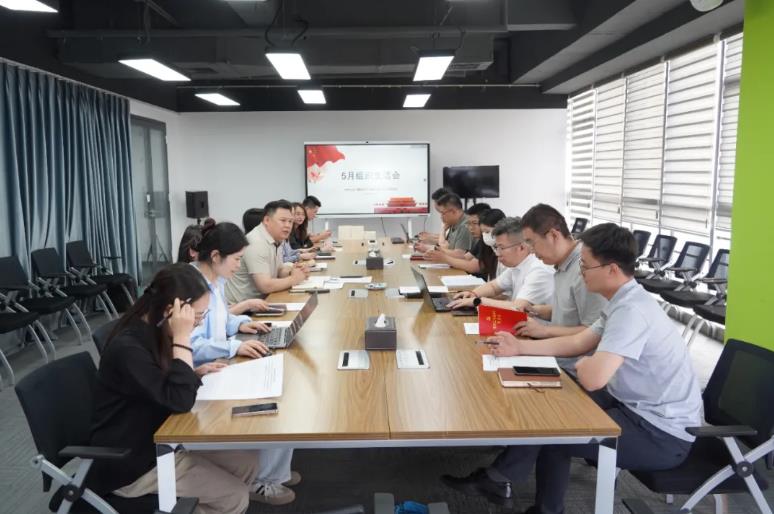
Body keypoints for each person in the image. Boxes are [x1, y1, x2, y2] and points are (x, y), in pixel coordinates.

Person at [442, 224, 703, 514]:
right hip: (630, 404)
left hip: (660, 433)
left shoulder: (632, 311)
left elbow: (592, 378)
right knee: (551, 408)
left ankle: (532, 500)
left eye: (586, 265)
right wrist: (519, 347)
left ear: (612, 269)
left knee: (558, 434)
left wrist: (586, 363)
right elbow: (579, 341)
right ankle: (505, 482)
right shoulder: (622, 300)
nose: (581, 271)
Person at [88, 263, 260, 514]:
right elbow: (180, 400)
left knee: (246, 464)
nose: (198, 324)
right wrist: (182, 336)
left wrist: (192, 373)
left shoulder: (154, 331)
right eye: (197, 317)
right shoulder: (129, 348)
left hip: (161, 437)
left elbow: (161, 382)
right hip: (133, 462)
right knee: (234, 496)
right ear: (172, 311)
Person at [189, 221, 300, 506]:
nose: (239, 265)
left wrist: (242, 324)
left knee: (283, 384)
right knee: (272, 401)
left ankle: (274, 471)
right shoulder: (190, 285)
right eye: (237, 259)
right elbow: (190, 343)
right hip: (201, 373)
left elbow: (223, 319)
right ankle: (263, 479)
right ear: (216, 256)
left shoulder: (216, 280)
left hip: (218, 363)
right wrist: (235, 345)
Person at [513, 204, 607, 373]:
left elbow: (593, 331)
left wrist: (544, 331)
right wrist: (537, 310)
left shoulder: (585, 270)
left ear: (553, 235)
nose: (531, 251)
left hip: (573, 370)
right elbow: (571, 311)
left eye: (532, 243)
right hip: (556, 357)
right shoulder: (562, 263)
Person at [447, 217, 554, 312]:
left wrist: (478, 301)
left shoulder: (539, 270)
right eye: (496, 247)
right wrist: (473, 294)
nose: (497, 253)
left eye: (501, 248)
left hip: (535, 327)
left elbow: (518, 308)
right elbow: (494, 287)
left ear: (521, 247)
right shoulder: (517, 265)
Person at [225, 200, 310, 303]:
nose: (288, 225)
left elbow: (279, 270)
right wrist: (294, 279)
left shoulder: (277, 238)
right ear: (267, 220)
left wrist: (292, 271)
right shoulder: (256, 242)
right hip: (243, 307)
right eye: (283, 220)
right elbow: (265, 286)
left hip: (263, 301)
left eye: (290, 221)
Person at [424, 203, 490, 274]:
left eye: (474, 223)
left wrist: (444, 258)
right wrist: (439, 252)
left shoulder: (489, 241)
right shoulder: (481, 241)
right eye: (469, 223)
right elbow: (465, 258)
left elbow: (473, 267)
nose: (471, 228)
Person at [478, 208, 506, 280]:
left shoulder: (507, 254)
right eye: (482, 232)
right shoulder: (490, 248)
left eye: (487, 232)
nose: (484, 235)